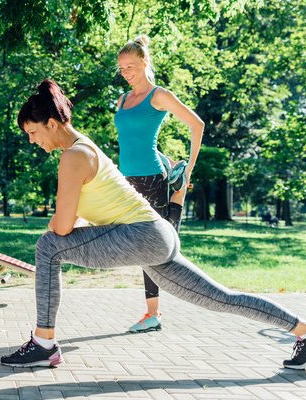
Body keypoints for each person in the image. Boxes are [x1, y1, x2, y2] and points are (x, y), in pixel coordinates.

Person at [0, 79, 306, 370]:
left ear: (51, 123)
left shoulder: (75, 155)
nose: (33, 141)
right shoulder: (81, 149)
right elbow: (74, 218)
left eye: (33, 132)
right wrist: (61, 221)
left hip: (142, 235)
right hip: (155, 235)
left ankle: (44, 344)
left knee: (48, 247)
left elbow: (60, 229)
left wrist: (57, 224)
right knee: (220, 298)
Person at [115, 35, 204, 334]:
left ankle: (152, 314)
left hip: (151, 178)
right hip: (127, 178)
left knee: (153, 247)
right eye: (122, 68)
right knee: (156, 241)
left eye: (131, 66)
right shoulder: (123, 100)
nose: (126, 73)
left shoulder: (158, 95)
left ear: (144, 63)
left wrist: (189, 168)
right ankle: (178, 197)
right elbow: (134, 141)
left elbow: (197, 124)